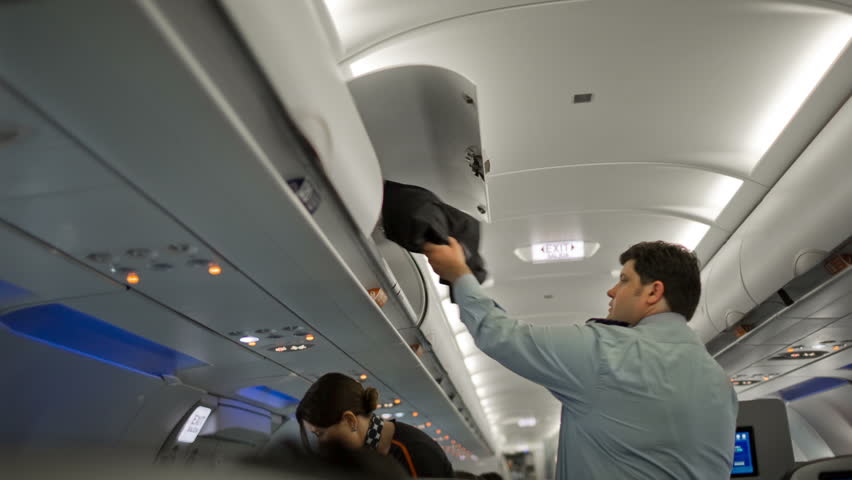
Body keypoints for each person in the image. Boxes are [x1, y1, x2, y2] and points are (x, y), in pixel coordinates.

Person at [424, 239, 738, 480]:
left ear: (654, 292)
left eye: (625, 280)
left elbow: (499, 333)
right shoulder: (721, 382)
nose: (612, 291)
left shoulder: (607, 352)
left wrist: (459, 275)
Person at [296, 372, 455, 478]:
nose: (320, 444)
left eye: (319, 434)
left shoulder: (414, 452)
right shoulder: (367, 455)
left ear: (350, 421)